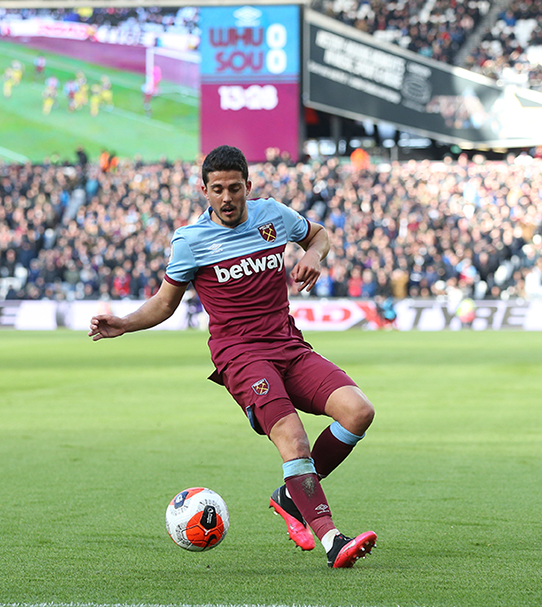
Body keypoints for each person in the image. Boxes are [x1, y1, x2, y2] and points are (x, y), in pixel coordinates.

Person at [89, 145, 377, 569]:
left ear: (248, 186)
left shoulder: (272, 215)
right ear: (203, 190)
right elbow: (165, 303)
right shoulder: (190, 241)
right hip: (241, 357)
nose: (227, 198)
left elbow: (318, 234)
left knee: (358, 412)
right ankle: (333, 540)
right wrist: (126, 323)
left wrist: (312, 255)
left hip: (288, 345)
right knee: (293, 439)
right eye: (218, 189)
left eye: (235, 188)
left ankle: (290, 498)